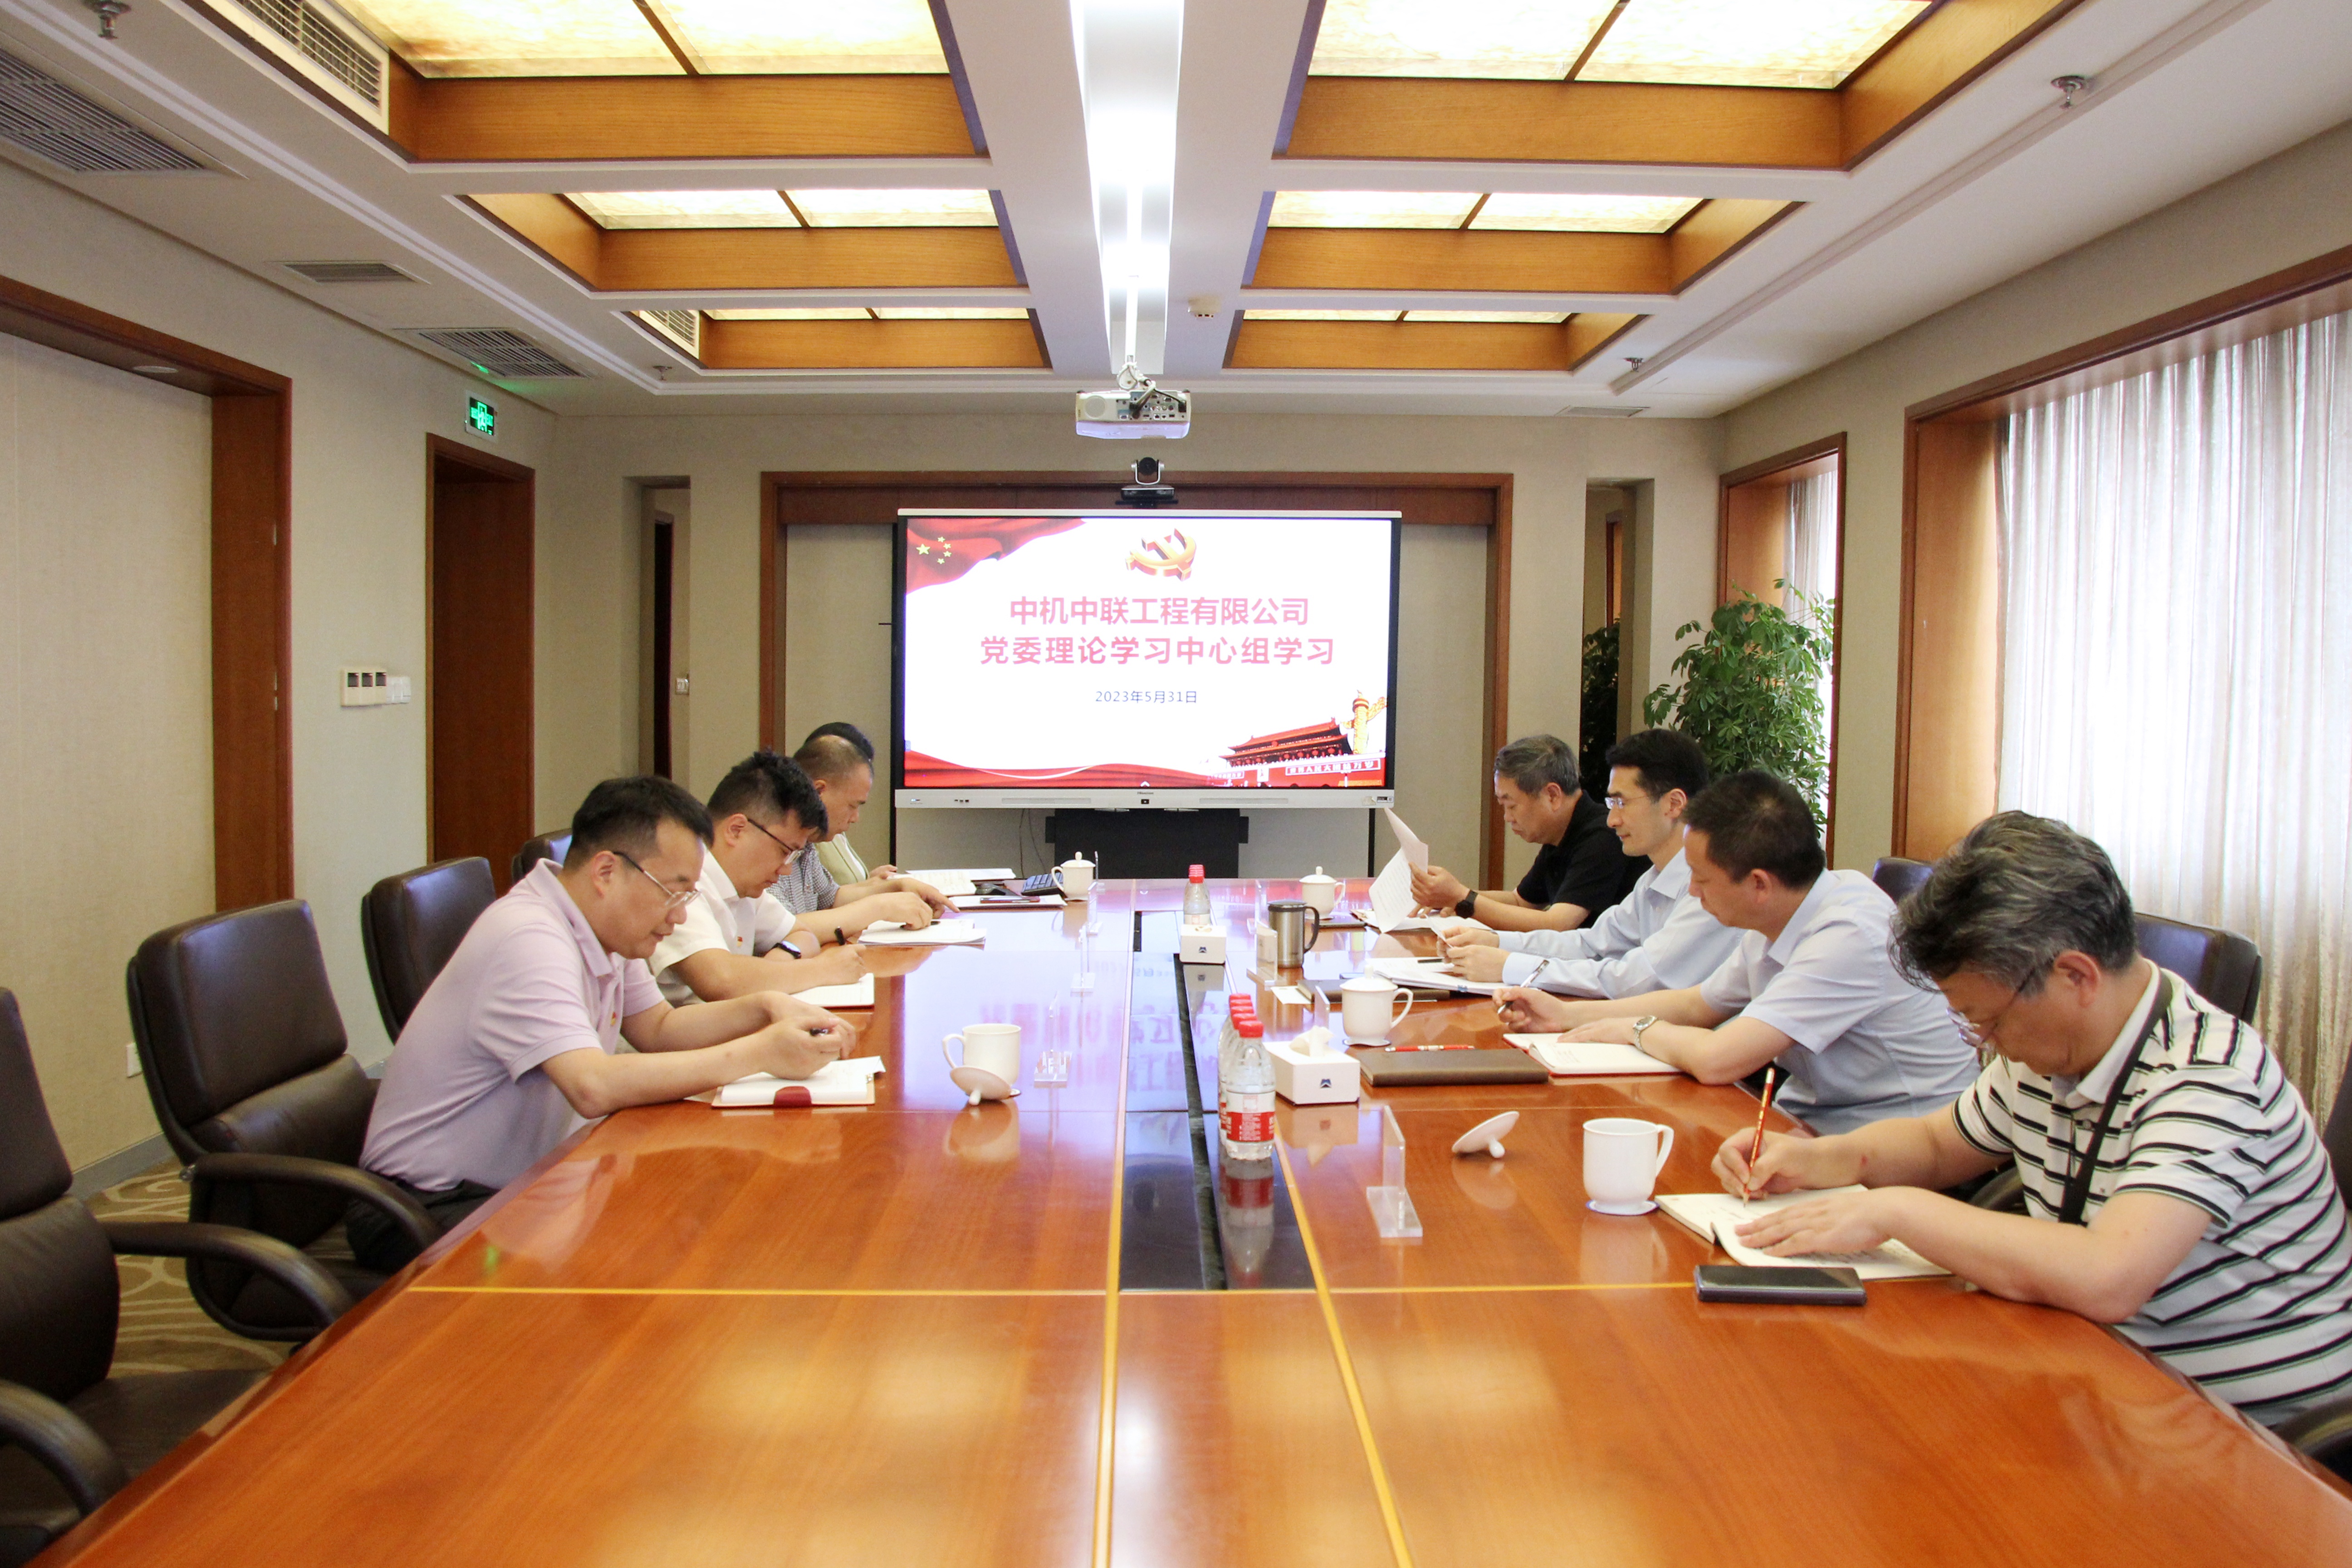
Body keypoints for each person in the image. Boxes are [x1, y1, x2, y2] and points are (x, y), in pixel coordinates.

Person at [1715, 812, 2352, 1424]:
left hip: (2248, 1431)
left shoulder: (2207, 1077)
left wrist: (1896, 1212)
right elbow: (1938, 1143)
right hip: (2102, 1372)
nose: (1985, 1043)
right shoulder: (2054, 1049)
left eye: (1988, 1020)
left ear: (2075, 975)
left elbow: (2109, 1276)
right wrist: (1818, 1159)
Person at [351, 776, 852, 1270]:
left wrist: (765, 1007)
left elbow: (659, 1029)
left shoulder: (603, 929)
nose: (680, 917)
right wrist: (759, 1052)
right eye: (674, 893)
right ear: (606, 872)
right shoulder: (529, 936)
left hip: (522, 1183)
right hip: (426, 1208)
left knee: (673, 1232)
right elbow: (592, 1085)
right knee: (639, 1262)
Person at [1496, 770, 1976, 1133]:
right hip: (1815, 1124)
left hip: (1898, 1147)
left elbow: (1719, 1059)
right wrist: (1565, 1015)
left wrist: (1632, 1029)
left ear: (1759, 885)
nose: (1693, 893)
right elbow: (1697, 1004)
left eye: (1702, 880)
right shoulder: (1783, 912)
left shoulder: (1848, 934)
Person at [1440, 729, 1739, 995]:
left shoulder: (1713, 887)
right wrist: (1496, 943)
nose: (1612, 819)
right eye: (1611, 803)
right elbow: (1591, 945)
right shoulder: (1653, 879)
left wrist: (1510, 966)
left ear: (1673, 804)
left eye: (1622, 803)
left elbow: (1638, 979)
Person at [648, 750, 867, 1004]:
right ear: (736, 830)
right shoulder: (683, 882)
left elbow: (803, 935)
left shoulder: (743, 887)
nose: (786, 870)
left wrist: (779, 962)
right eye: (784, 852)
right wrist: (824, 970)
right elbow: (721, 981)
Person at [1407, 734, 1642, 934]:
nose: (1507, 818)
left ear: (1552, 795)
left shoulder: (1602, 836)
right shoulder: (1560, 833)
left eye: (1511, 806)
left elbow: (1557, 924)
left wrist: (1463, 898)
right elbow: (1521, 902)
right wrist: (1450, 897)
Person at [776, 730, 950, 945]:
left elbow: (831, 899)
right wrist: (880, 907)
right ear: (819, 791)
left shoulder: (807, 843)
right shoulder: (771, 841)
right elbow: (782, 929)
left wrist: (897, 887)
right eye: (852, 806)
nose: (856, 818)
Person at [802, 722, 903, 888]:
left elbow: (833, 896)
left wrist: (873, 884)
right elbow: (831, 900)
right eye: (852, 806)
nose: (856, 818)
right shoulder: (808, 838)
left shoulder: (814, 843)